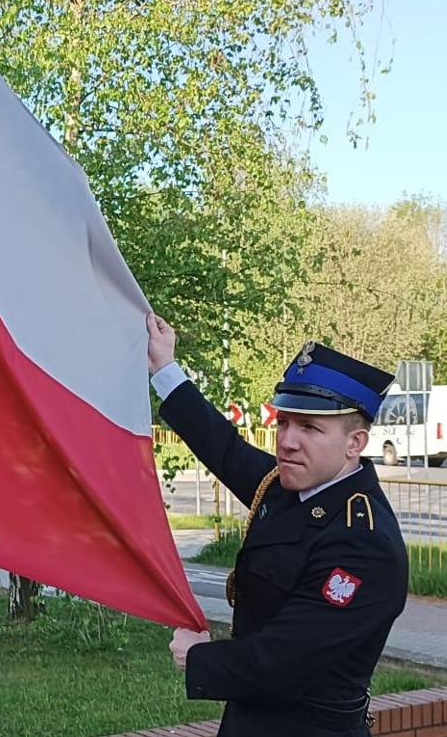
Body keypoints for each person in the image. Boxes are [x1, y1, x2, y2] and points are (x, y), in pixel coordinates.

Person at [148, 313, 408, 737]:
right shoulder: (287, 486)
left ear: (354, 444)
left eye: (310, 427)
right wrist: (165, 369)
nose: (287, 440)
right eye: (284, 421)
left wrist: (198, 658)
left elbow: (284, 659)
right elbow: (225, 449)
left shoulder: (362, 541)